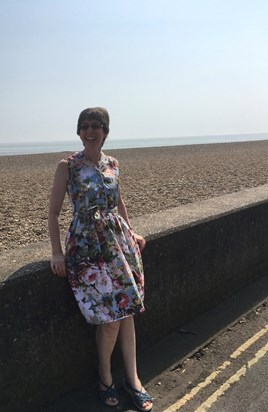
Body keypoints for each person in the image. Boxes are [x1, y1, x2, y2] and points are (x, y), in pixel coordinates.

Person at [48, 107, 153, 411]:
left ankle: (133, 380)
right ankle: (105, 377)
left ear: (105, 131)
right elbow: (53, 213)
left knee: (128, 310)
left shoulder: (114, 164)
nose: (90, 131)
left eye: (96, 126)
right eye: (84, 126)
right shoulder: (67, 166)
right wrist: (57, 252)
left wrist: (131, 233)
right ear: (78, 132)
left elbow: (118, 201)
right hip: (86, 247)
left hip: (118, 244)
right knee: (109, 321)